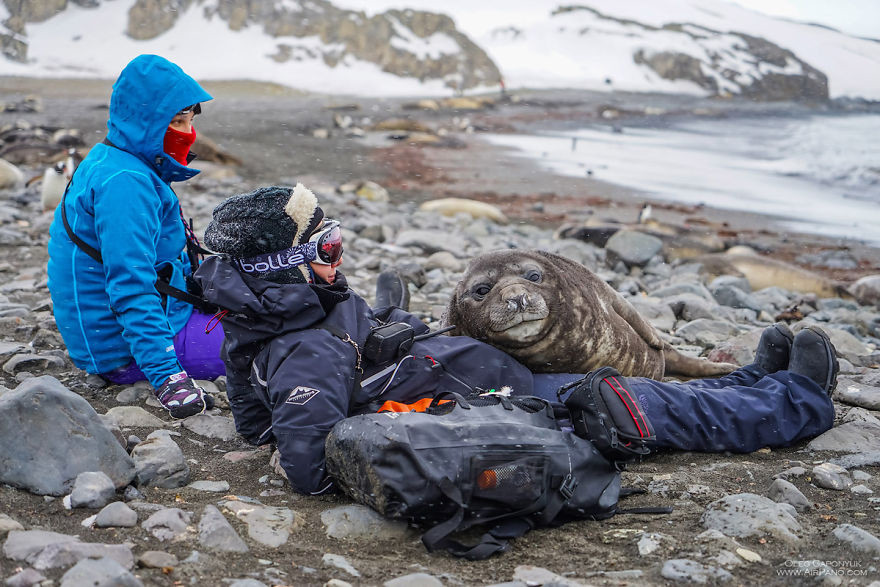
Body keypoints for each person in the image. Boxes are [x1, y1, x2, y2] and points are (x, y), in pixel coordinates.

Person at [192, 184, 838, 495]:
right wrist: (305, 440)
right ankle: (797, 401)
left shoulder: (272, 317)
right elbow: (308, 464)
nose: (342, 255)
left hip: (466, 376)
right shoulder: (308, 345)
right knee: (643, 405)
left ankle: (754, 383)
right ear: (283, 268)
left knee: (644, 386)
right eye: (328, 246)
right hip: (491, 404)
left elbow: (254, 416)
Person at [47, 54, 225, 419]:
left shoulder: (114, 159)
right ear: (144, 120)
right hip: (122, 351)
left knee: (271, 308)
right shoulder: (126, 183)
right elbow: (131, 283)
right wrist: (167, 376)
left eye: (189, 120)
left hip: (138, 325)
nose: (187, 132)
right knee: (278, 341)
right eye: (175, 121)